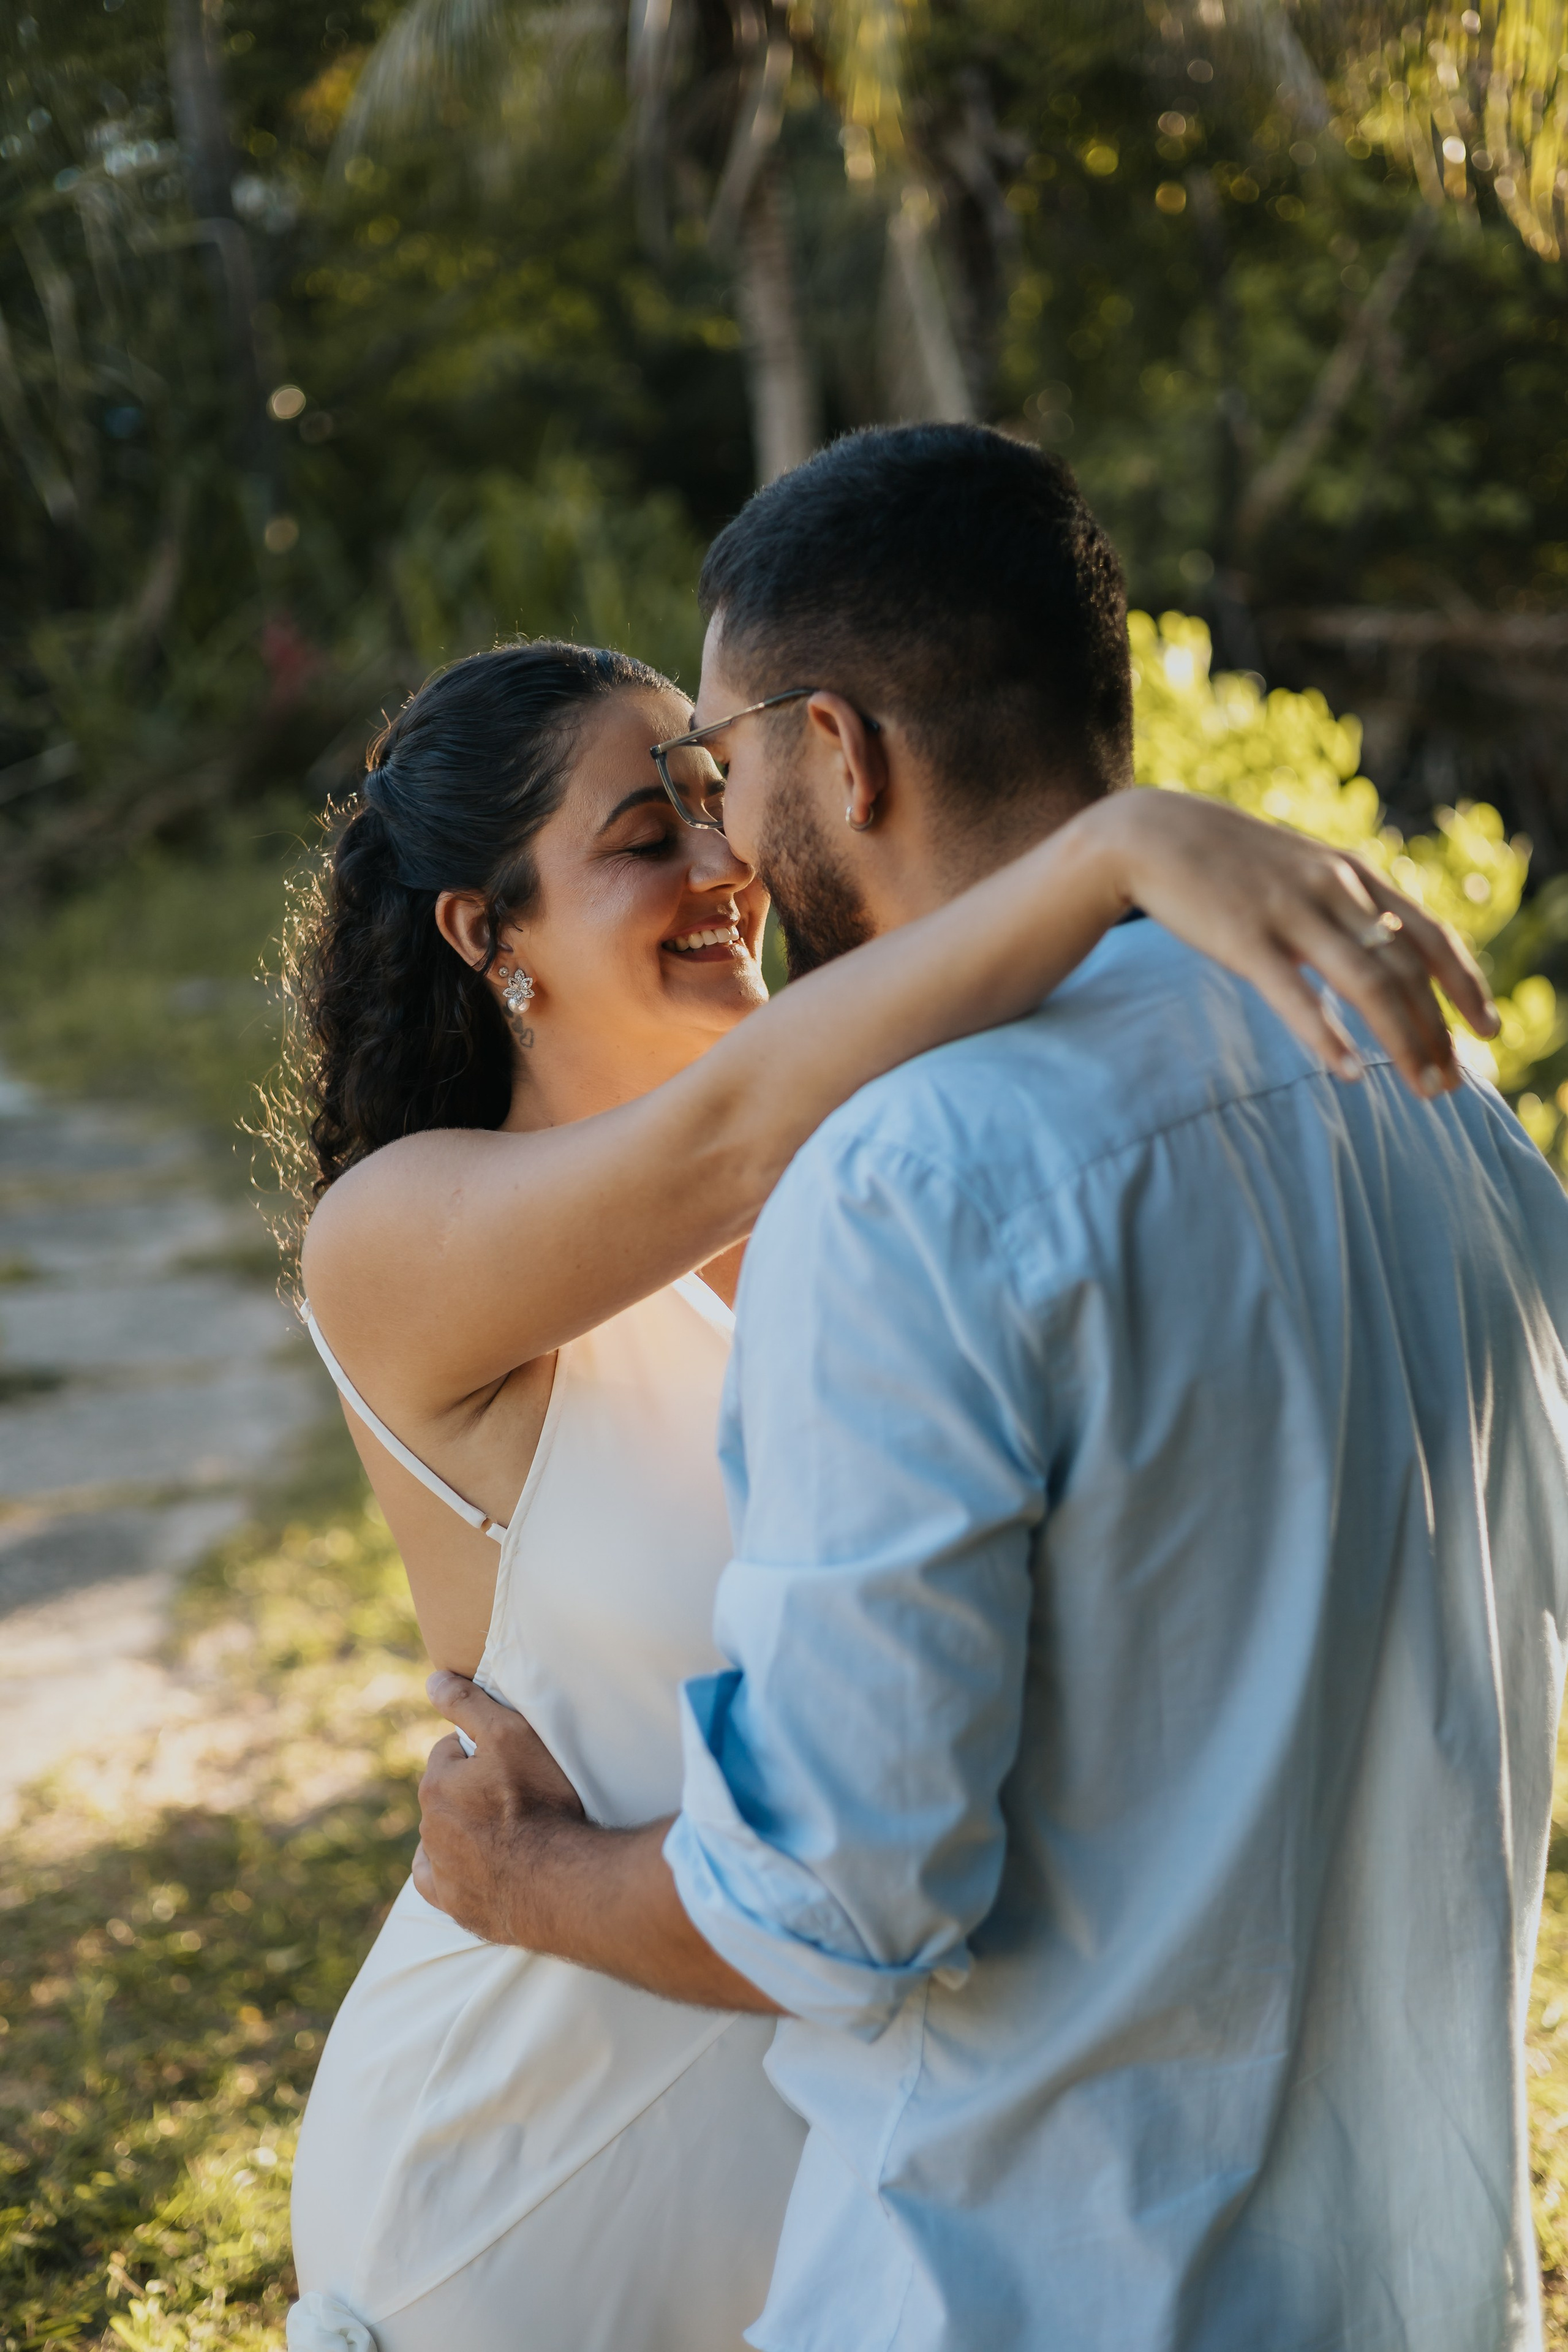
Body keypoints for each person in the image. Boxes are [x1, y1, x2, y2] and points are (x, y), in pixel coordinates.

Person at [282, 456, 1477, 2351]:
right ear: (482, 934)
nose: (727, 863)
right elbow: (736, 1122)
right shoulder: (401, 1234)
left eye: (713, 792)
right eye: (643, 835)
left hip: (835, 2175)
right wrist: (1114, 848)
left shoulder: (872, 1181)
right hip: (532, 2171)